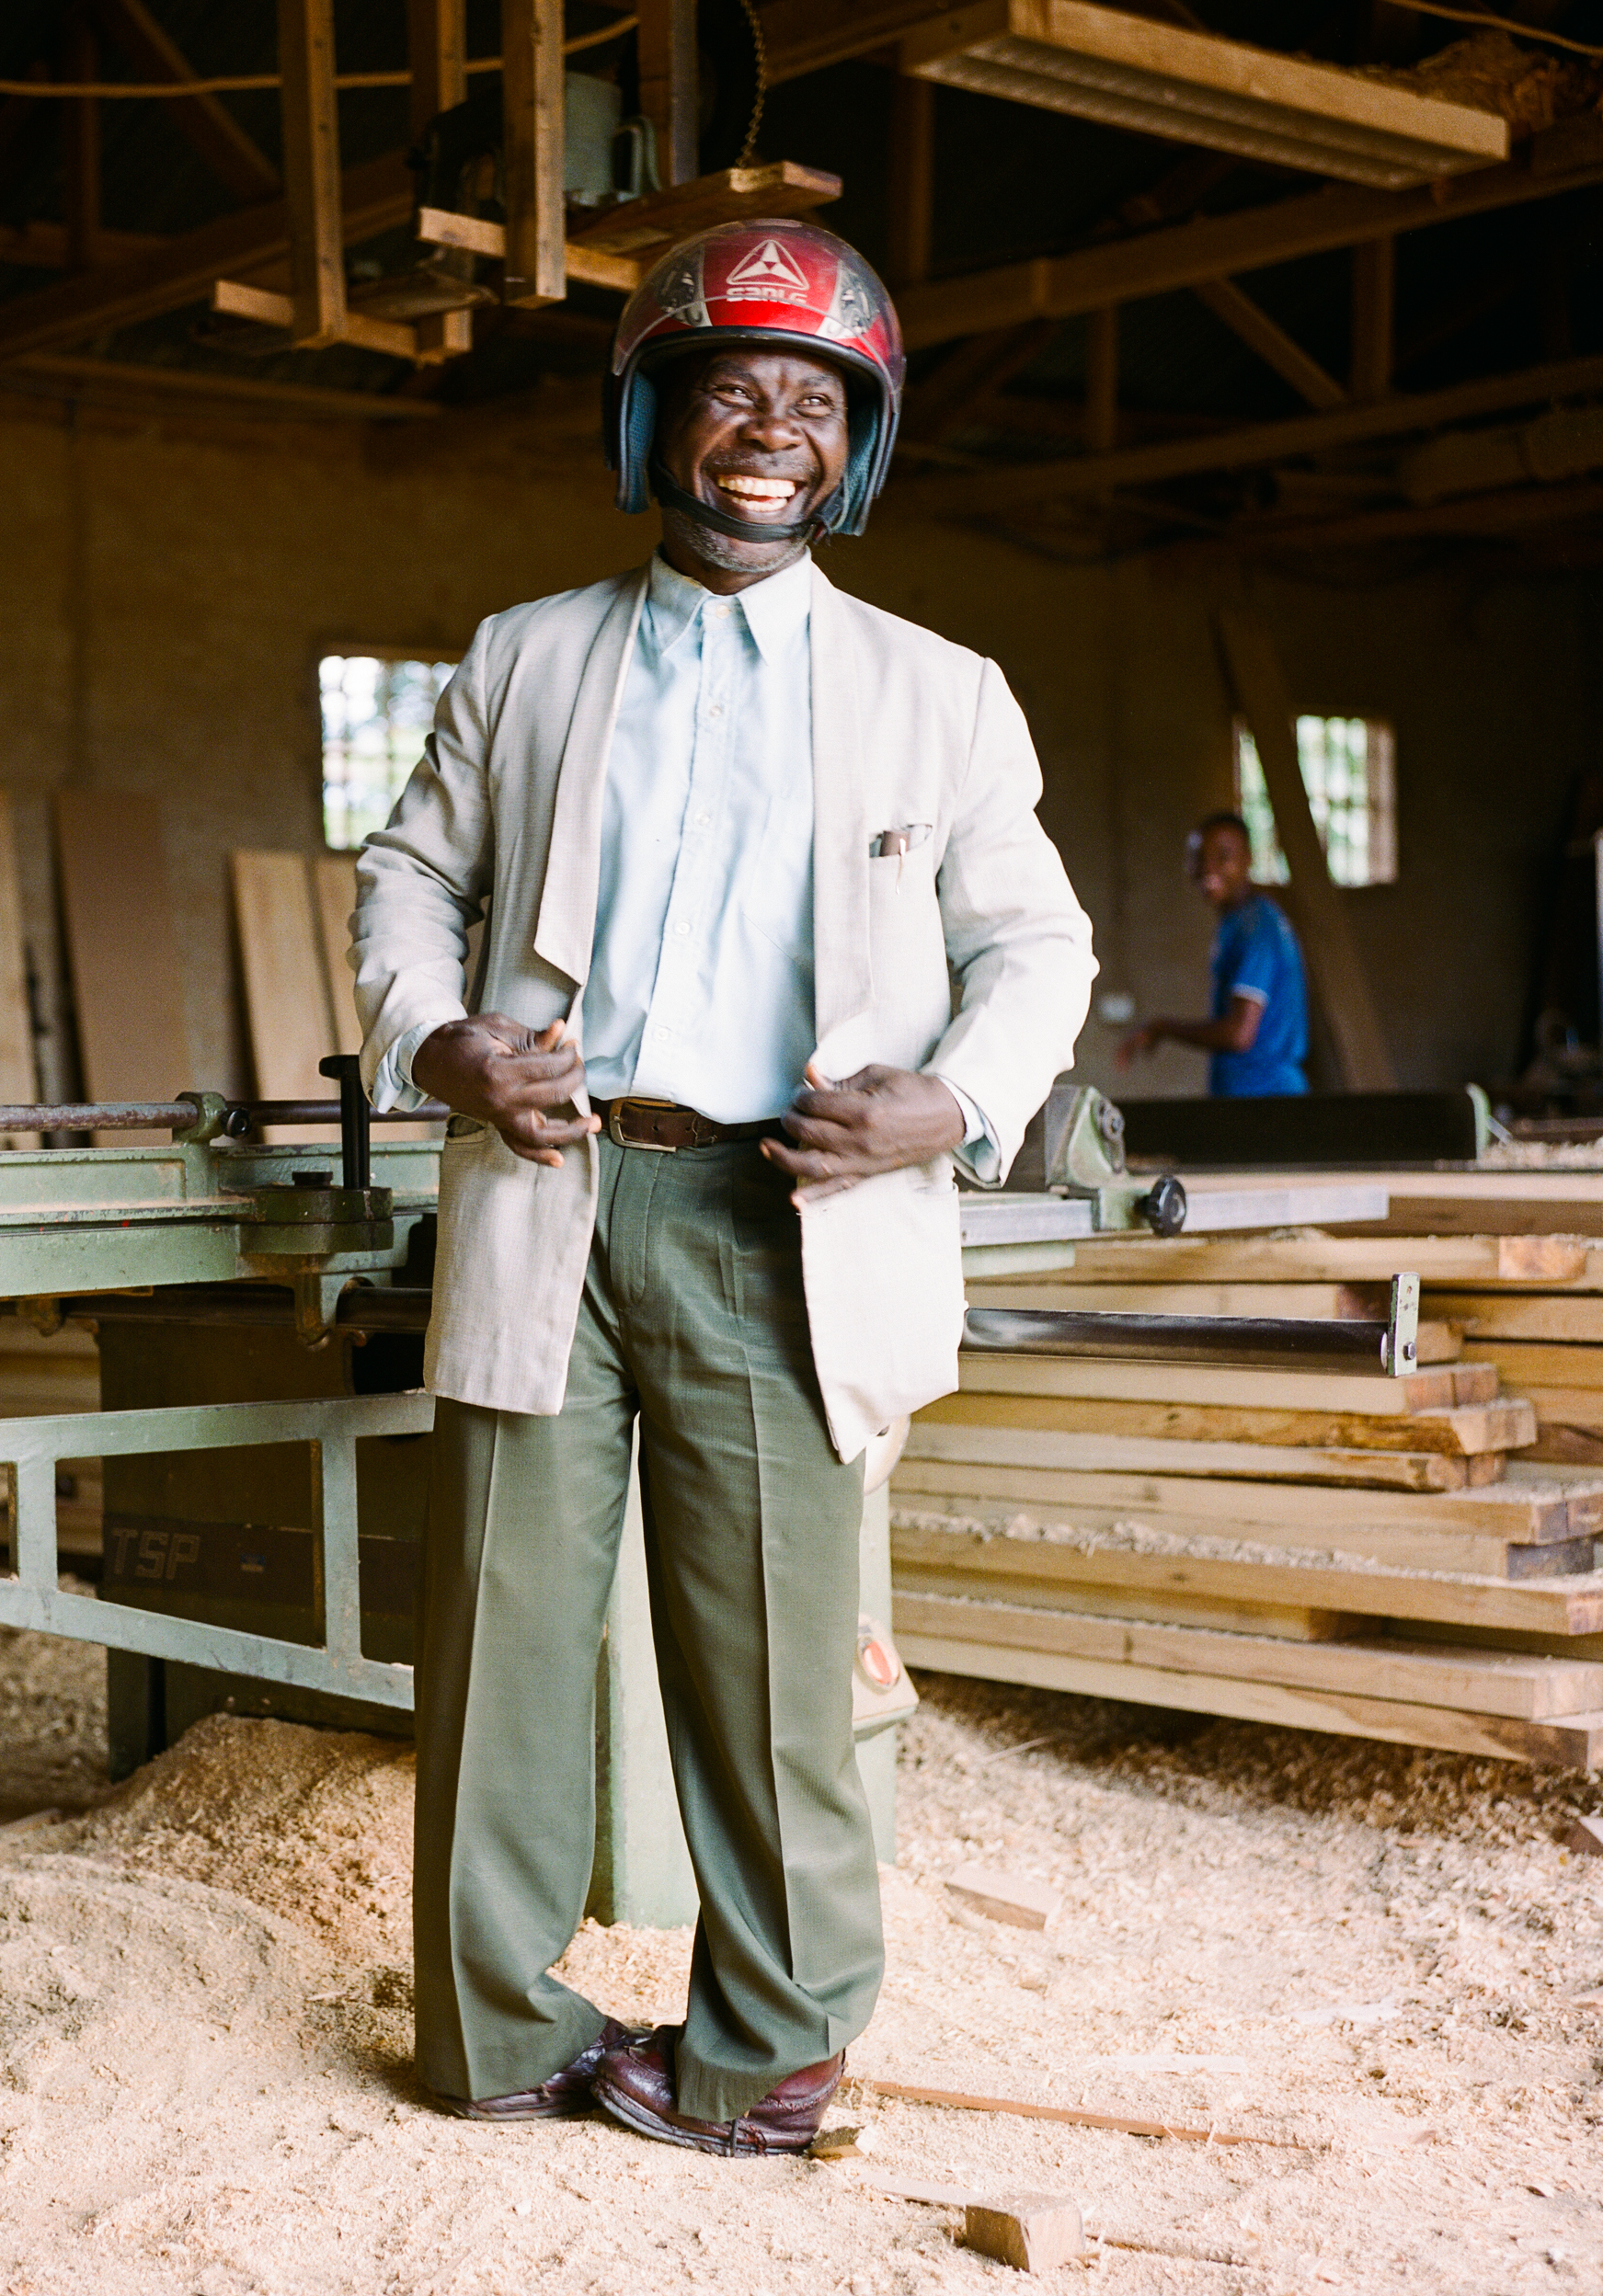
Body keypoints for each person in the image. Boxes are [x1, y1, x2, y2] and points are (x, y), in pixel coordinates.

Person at [350, 220, 1094, 2159]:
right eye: (724, 390)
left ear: (852, 442)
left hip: (782, 1213)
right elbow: (407, 879)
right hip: (553, 1187)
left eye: (809, 400)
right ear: (650, 418)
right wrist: (440, 1042)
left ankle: (763, 2060)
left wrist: (947, 1099)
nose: (763, 428)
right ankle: (494, 2035)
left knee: (774, 1671)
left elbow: (1036, 947)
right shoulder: (527, 657)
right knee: (499, 1641)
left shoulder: (936, 691)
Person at [1116, 812, 1310, 1096]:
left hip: (1267, 1100)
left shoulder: (1258, 930)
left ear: (1247, 858)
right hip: (1242, 1093)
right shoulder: (1237, 922)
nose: (1208, 868)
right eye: (1199, 857)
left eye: (1222, 856)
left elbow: (1239, 1034)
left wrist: (1164, 1028)